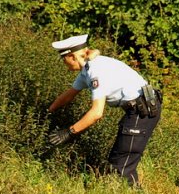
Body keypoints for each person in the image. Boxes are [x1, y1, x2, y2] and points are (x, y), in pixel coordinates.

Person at [47, 34, 161, 186]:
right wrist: (48, 112)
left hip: (143, 110)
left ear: (72, 57)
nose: (63, 63)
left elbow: (96, 113)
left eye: (63, 59)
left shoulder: (96, 71)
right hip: (138, 108)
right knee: (120, 161)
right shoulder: (87, 70)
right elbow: (67, 96)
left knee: (121, 165)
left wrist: (69, 132)